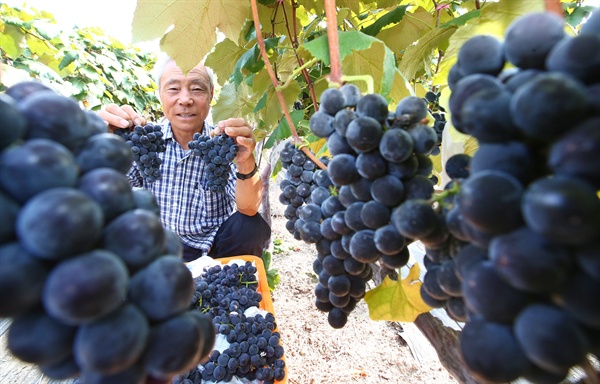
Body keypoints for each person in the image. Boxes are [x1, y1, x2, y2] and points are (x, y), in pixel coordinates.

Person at [98, 55, 271, 262]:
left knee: (250, 226)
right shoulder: (146, 142)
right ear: (160, 94)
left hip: (210, 248)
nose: (185, 99)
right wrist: (103, 147)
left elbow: (249, 207)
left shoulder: (223, 144)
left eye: (197, 89)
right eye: (173, 89)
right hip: (156, 244)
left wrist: (244, 160)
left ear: (211, 94)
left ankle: (231, 282)